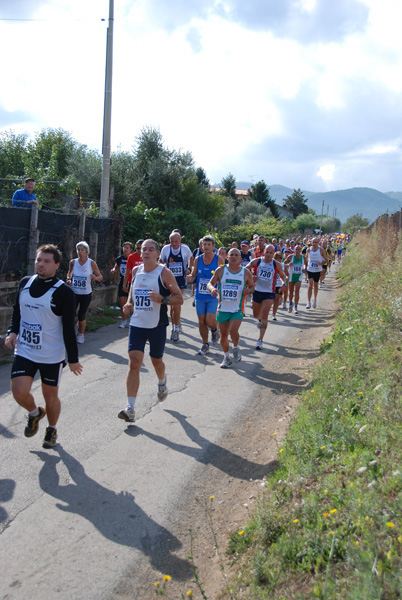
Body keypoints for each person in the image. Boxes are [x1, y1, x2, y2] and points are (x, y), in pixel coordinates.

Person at [4, 244, 83, 448]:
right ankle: (35, 413)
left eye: (47, 261)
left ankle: (51, 429)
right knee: (19, 392)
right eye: (39, 260)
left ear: (57, 265)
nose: (41, 264)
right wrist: (12, 331)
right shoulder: (25, 283)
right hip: (25, 350)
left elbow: (68, 328)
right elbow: (17, 311)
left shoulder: (64, 293)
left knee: (51, 396)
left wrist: (73, 359)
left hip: (50, 355)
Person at [118, 239, 183, 423]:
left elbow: (179, 298)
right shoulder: (136, 271)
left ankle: (162, 382)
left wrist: (162, 299)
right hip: (137, 324)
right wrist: (129, 303)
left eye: (150, 249)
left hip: (157, 325)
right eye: (143, 249)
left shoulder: (164, 273)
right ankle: (130, 407)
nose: (146, 252)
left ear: (157, 254)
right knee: (134, 361)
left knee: (156, 360)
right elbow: (132, 289)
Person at [207, 248, 254, 368]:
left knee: (233, 330)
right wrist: (212, 289)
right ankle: (226, 356)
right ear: (227, 257)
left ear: (240, 259)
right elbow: (210, 283)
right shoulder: (221, 270)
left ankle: (236, 348)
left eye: (236, 255)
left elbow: (252, 287)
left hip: (237, 309)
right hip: (223, 308)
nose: (233, 257)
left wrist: (248, 290)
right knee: (223, 335)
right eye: (231, 255)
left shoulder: (245, 272)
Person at [186, 235, 224, 355]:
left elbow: (223, 277)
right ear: (201, 246)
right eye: (204, 244)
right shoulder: (198, 259)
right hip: (200, 295)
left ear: (213, 246)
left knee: (209, 320)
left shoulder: (219, 259)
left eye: (209, 244)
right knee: (201, 321)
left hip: (213, 295)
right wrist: (189, 278)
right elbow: (193, 275)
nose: (206, 246)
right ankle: (205, 344)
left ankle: (214, 329)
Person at [246, 244, 286, 350]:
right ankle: (260, 320)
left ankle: (260, 340)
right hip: (257, 291)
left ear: (273, 254)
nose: (268, 254)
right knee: (256, 314)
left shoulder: (276, 264)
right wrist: (251, 277)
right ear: (264, 252)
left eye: (270, 253)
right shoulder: (257, 261)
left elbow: (282, 275)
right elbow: (245, 270)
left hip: (269, 293)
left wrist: (283, 283)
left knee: (264, 315)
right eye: (267, 252)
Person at [66, 241, 103, 343]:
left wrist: (95, 277)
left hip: (86, 294)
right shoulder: (73, 262)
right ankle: (74, 327)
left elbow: (100, 277)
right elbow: (70, 273)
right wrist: (69, 279)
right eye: (78, 249)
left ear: (87, 252)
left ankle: (81, 335)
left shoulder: (91, 263)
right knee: (72, 314)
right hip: (74, 292)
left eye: (82, 250)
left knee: (81, 314)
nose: (80, 252)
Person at [160, 231, 192, 342]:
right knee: (172, 306)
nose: (173, 244)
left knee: (176, 304)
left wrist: (189, 268)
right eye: (171, 242)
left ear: (180, 241)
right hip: (168, 280)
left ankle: (175, 329)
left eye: (176, 241)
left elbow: (191, 258)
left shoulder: (185, 249)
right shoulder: (165, 249)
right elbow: (160, 259)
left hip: (180, 280)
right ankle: (175, 323)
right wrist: (163, 264)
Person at [111, 241, 132, 328]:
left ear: (131, 250)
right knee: (122, 302)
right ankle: (124, 320)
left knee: (131, 302)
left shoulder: (132, 258)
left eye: (127, 248)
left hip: (131, 282)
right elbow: (115, 267)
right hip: (122, 281)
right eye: (124, 247)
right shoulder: (119, 259)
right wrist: (113, 270)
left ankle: (132, 320)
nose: (125, 249)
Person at [305, 238, 327, 309]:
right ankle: (308, 302)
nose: (314, 244)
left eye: (315, 242)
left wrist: (321, 263)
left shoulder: (321, 250)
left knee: (315, 285)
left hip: (317, 270)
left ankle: (314, 299)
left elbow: (326, 260)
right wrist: (305, 266)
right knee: (310, 285)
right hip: (310, 269)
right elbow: (306, 258)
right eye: (313, 242)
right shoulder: (308, 250)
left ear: (318, 243)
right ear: (311, 243)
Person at [284, 244, 304, 314]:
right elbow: (283, 264)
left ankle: (295, 307)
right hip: (291, 276)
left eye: (299, 249)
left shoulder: (303, 257)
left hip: (299, 276)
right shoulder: (290, 257)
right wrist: (288, 265)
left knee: (297, 291)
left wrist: (305, 269)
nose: (298, 251)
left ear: (301, 250)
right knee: (291, 292)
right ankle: (290, 304)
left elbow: (306, 265)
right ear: (294, 250)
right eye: (296, 249)